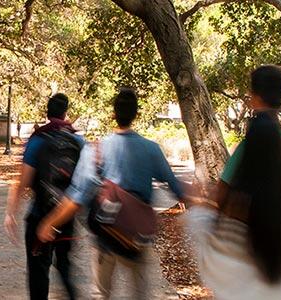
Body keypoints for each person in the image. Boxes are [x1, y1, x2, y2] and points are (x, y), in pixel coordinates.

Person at [186, 65, 281, 299]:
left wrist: (198, 205)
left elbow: (222, 196)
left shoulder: (248, 146)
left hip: (248, 257)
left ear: (254, 97)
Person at [38, 88, 196, 299]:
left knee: (100, 294)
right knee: (140, 294)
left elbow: (77, 196)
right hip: (138, 238)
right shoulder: (151, 149)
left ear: (114, 114)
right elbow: (176, 188)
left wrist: (50, 222)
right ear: (136, 115)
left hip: (106, 234)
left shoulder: (96, 150)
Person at [4, 94, 83, 300]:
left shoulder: (38, 140)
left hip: (40, 216)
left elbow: (24, 181)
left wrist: (11, 212)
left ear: (47, 113)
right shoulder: (78, 141)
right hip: (67, 218)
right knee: (65, 268)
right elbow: (84, 183)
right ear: (65, 112)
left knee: (39, 274)